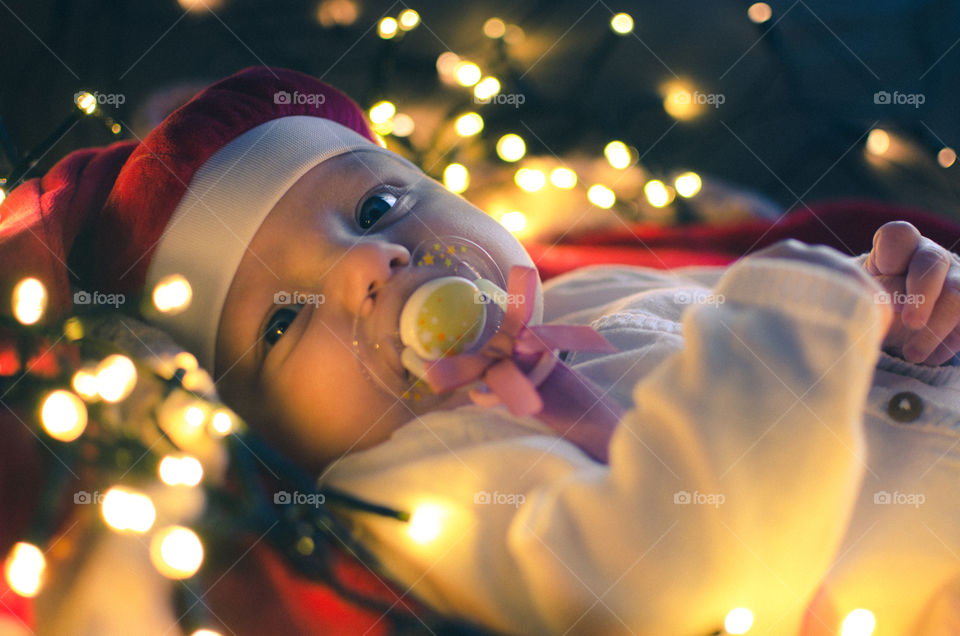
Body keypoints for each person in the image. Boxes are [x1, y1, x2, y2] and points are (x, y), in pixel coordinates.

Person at [2, 66, 958, 635]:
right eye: (282, 321)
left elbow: (832, 376)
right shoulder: (425, 481)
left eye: (377, 207)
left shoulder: (592, 295)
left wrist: (911, 339)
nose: (373, 261)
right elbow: (676, 575)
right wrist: (803, 304)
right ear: (269, 440)